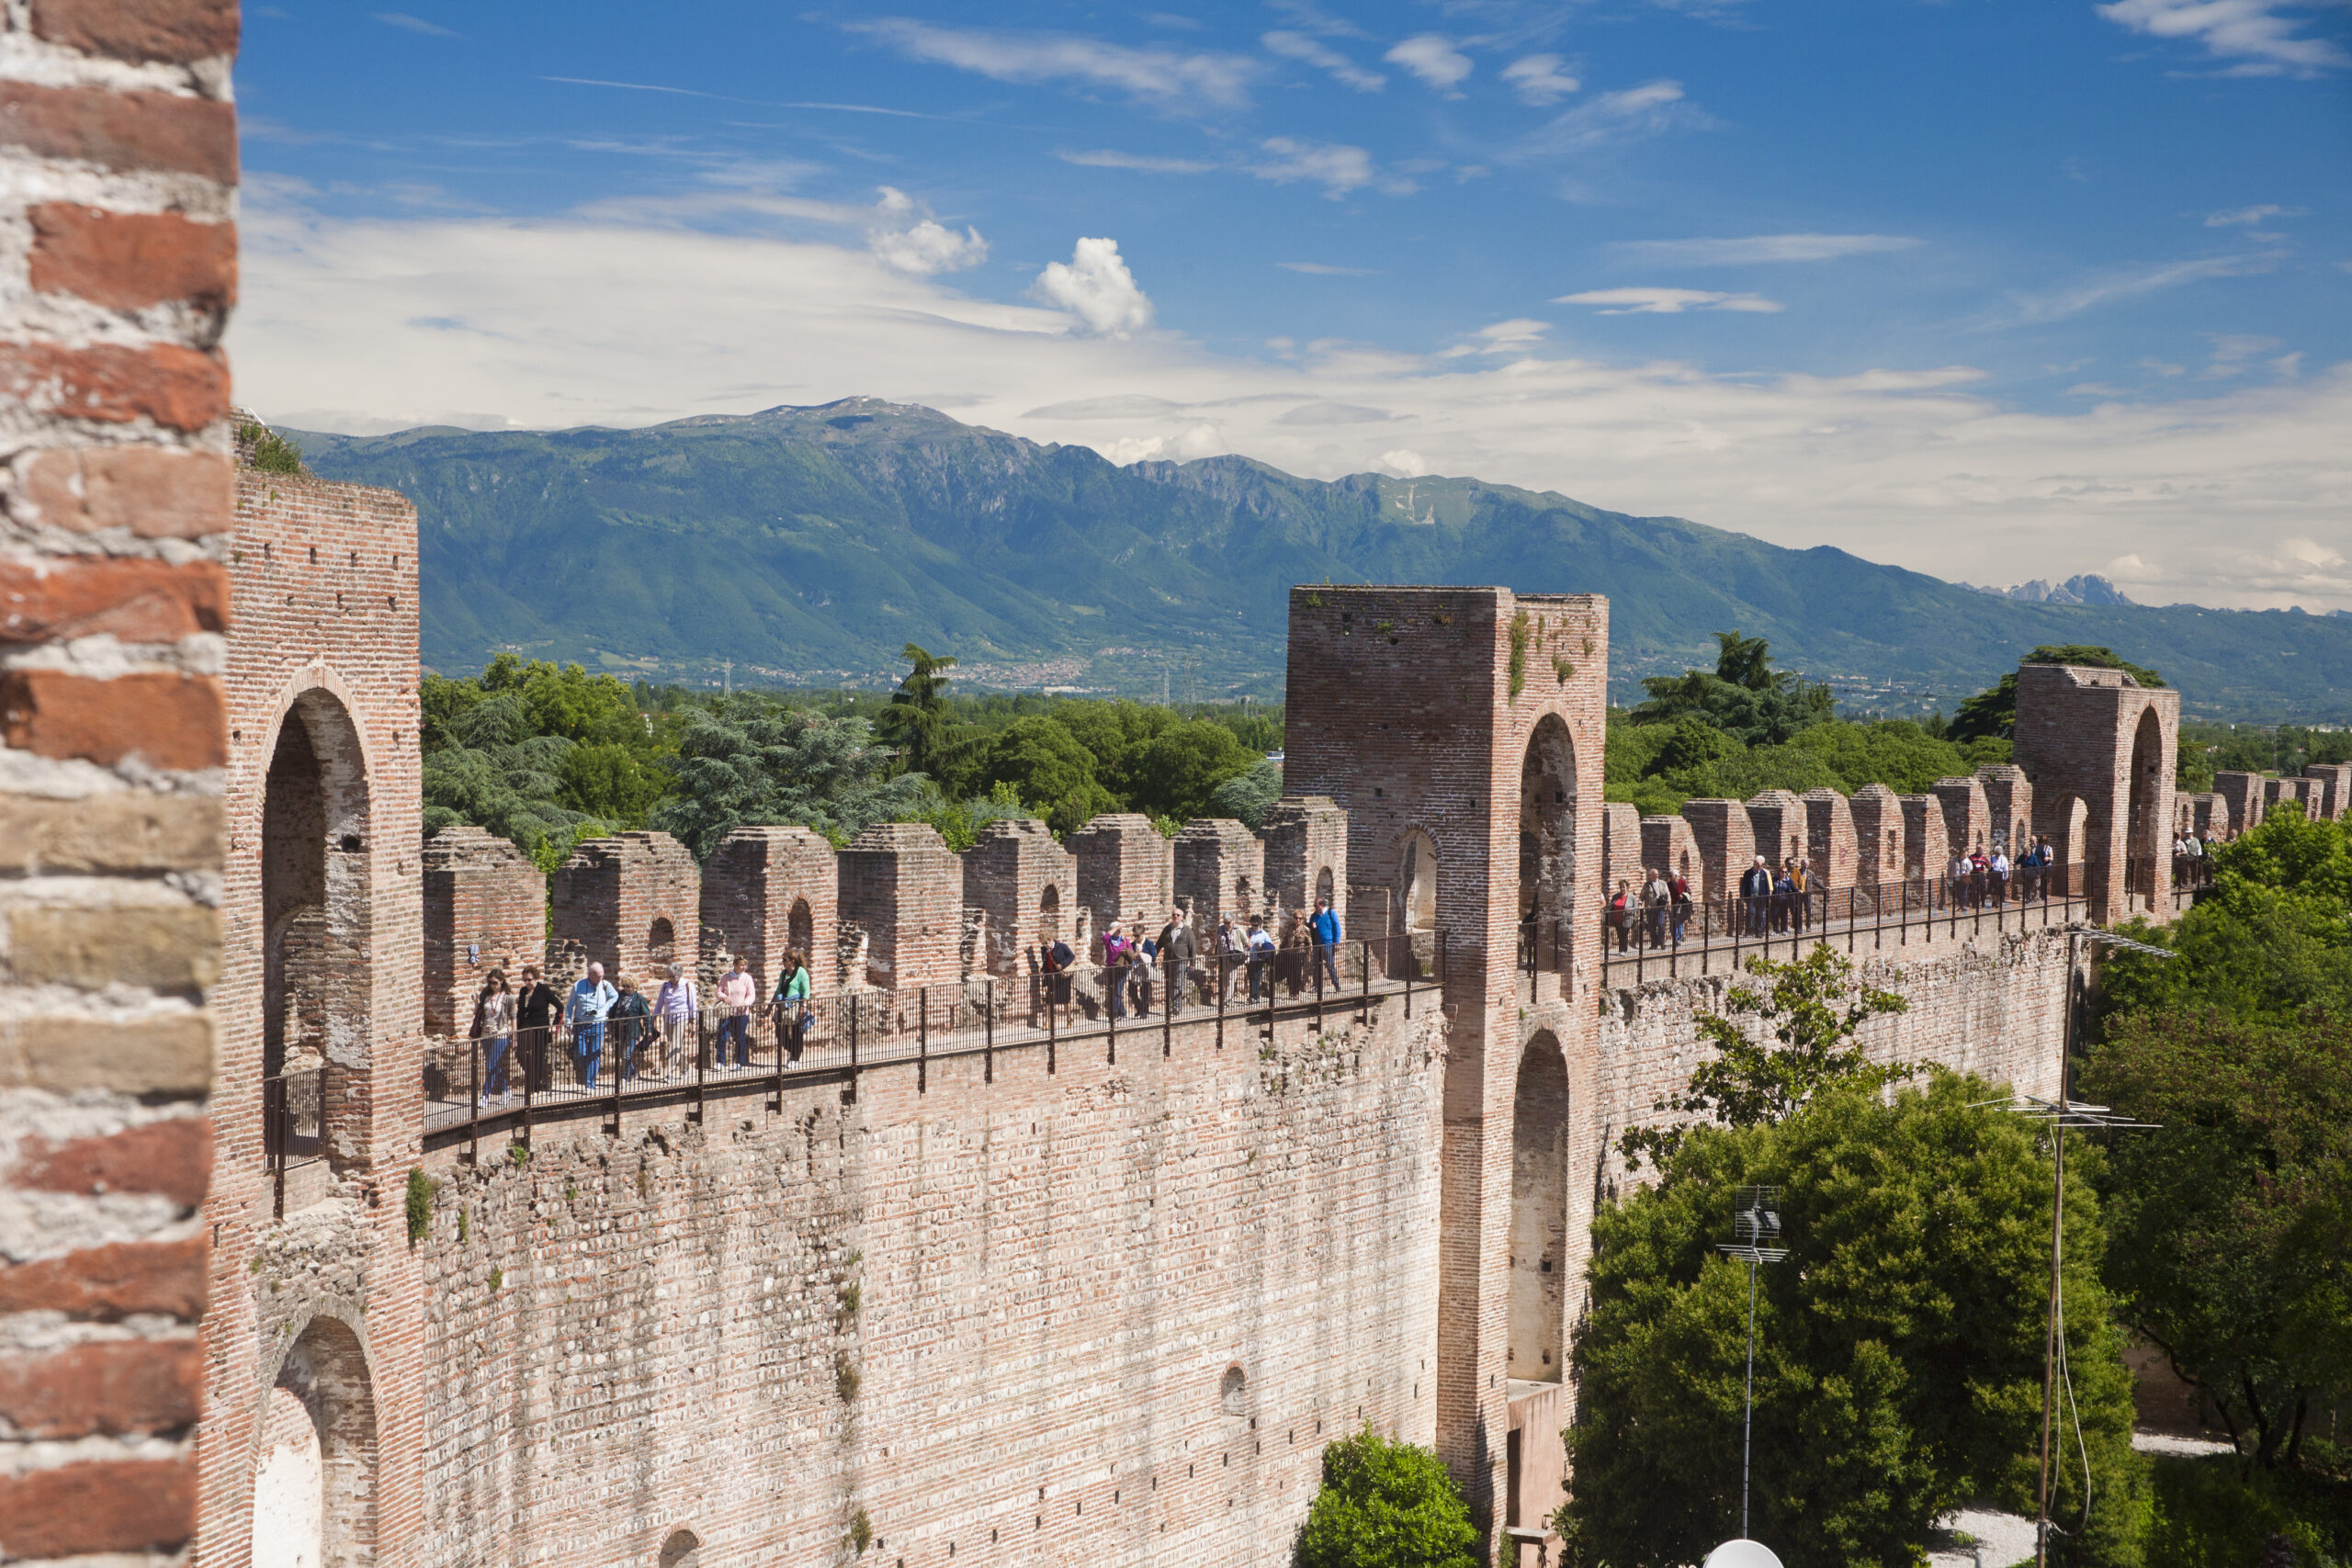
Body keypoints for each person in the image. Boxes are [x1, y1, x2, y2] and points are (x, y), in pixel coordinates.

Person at [566, 962, 616, 1089]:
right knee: (580, 1053)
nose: (601, 979)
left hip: (598, 1024)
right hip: (581, 1024)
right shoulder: (578, 986)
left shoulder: (605, 985)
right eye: (598, 976)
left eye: (602, 976)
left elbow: (614, 996)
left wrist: (606, 1008)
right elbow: (569, 1005)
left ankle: (590, 1084)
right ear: (590, 975)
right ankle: (584, 1074)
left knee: (594, 1055)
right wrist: (568, 1022)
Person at [470, 968, 514, 1109]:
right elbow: (478, 1011)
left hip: (500, 1033)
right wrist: (476, 1002)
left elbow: (513, 1017)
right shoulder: (486, 995)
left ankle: (485, 1096)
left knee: (490, 1065)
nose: (492, 985)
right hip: (485, 1033)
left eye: (495, 982)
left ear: (501, 982)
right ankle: (506, 1090)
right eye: (490, 983)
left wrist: (515, 1035)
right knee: (493, 1064)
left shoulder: (508, 997)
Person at [514, 964, 560, 1094]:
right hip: (525, 1028)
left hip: (540, 1029)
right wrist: (517, 1028)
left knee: (538, 1057)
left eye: (529, 980)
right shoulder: (523, 991)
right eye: (524, 980)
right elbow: (521, 1011)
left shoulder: (543, 990)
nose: (527, 982)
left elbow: (560, 1007)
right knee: (521, 1054)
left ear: (535, 979)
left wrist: (554, 1026)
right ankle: (532, 1078)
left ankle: (535, 1087)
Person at [655, 961, 697, 1077]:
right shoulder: (665, 986)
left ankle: (669, 1072)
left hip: (682, 1017)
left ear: (679, 974)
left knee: (674, 1044)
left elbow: (693, 1004)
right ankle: (686, 1068)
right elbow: (660, 1003)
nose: (671, 979)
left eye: (673, 976)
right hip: (668, 1018)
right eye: (669, 976)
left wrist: (693, 1021)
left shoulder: (688, 985)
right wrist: (654, 1017)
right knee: (677, 1044)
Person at [717, 953, 756, 1069]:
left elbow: (751, 995)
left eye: (745, 965)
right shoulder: (726, 977)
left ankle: (739, 1061)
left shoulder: (747, 978)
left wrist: (745, 1003)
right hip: (727, 1012)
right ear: (735, 965)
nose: (743, 967)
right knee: (722, 1036)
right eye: (741, 965)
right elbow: (718, 992)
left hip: (742, 1013)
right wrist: (724, 997)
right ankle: (720, 1061)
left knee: (739, 1037)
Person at [771, 948, 811, 1062]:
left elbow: (806, 991)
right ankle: (794, 1052)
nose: (783, 962)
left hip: (796, 1007)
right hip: (783, 1006)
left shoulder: (801, 972)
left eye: (785, 960)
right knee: (781, 1036)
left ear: (792, 961)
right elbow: (778, 990)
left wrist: (803, 1006)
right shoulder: (783, 973)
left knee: (797, 1033)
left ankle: (795, 1058)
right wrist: (770, 1005)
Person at [609, 976, 651, 1082]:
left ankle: (625, 1077)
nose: (626, 988)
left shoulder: (639, 999)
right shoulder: (618, 997)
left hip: (633, 1030)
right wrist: (610, 1025)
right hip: (620, 1029)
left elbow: (646, 1015)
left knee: (626, 1054)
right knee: (620, 1054)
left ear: (634, 986)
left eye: (628, 986)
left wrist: (649, 1030)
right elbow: (612, 1012)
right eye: (624, 986)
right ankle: (634, 1072)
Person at [1158, 909, 1196, 1016]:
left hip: (1181, 961)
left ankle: (1176, 1007)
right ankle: (1172, 1006)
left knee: (1178, 984)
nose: (1175, 916)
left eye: (1178, 915)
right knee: (1170, 984)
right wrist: (1151, 957)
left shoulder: (1187, 930)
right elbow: (1159, 944)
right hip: (1168, 961)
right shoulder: (1167, 929)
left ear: (1182, 917)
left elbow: (1192, 947)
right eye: (1173, 914)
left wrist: (1192, 963)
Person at [1309, 897, 1343, 993]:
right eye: (1314, 906)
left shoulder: (1330, 913)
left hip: (1328, 944)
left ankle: (1337, 985)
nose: (1315, 908)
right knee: (1316, 966)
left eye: (1316, 906)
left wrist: (1336, 943)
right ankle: (1317, 986)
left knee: (1330, 965)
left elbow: (1337, 928)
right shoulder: (1314, 916)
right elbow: (1311, 929)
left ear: (1322, 905)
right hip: (1317, 945)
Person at [1099, 919, 1131, 1021]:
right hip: (1111, 968)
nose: (1119, 931)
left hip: (1122, 969)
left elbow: (1131, 953)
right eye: (1117, 930)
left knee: (1117, 991)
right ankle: (1122, 1012)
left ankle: (1115, 1014)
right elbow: (1104, 937)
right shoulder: (1108, 941)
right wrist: (1116, 927)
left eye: (1120, 929)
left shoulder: (1125, 940)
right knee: (1113, 991)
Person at [1738, 857, 1773, 937]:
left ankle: (1759, 932)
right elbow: (1744, 885)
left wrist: (1768, 897)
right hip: (1751, 897)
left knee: (1760, 915)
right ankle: (1749, 931)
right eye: (1758, 865)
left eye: (1761, 865)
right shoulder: (1748, 873)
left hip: (1761, 898)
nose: (1760, 867)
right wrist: (1742, 897)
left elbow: (1766, 886)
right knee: (1751, 913)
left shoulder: (1763, 873)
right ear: (1754, 864)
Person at [1245, 915, 1276, 1001]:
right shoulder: (1247, 932)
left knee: (1256, 977)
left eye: (1256, 925)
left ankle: (1255, 997)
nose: (1254, 927)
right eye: (1253, 925)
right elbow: (1243, 942)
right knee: (1251, 977)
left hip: (1258, 958)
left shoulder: (1264, 934)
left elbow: (1270, 946)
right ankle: (1252, 995)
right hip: (1249, 958)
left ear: (1260, 924)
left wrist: (1261, 947)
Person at [1640, 868, 1671, 951]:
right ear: (1650, 876)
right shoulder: (1647, 885)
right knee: (1652, 927)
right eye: (1654, 874)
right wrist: (1640, 903)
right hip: (1650, 908)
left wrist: (1669, 903)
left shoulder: (1663, 883)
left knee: (1661, 925)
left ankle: (1662, 942)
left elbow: (1667, 893)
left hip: (1660, 908)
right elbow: (1642, 895)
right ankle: (1654, 943)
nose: (1657, 876)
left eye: (1657, 874)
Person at [1607, 880, 1634, 953]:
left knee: (1624, 935)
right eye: (1621, 887)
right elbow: (1611, 905)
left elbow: (1636, 908)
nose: (1622, 889)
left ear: (1627, 888)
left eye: (1624, 887)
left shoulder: (1631, 897)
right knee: (1619, 935)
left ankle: (1623, 950)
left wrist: (1631, 910)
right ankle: (1621, 950)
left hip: (1627, 919)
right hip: (1617, 919)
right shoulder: (1615, 896)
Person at [1668, 870, 1692, 947]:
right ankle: (1675, 938)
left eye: (1671, 876)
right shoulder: (1668, 884)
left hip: (1681, 906)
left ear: (1676, 876)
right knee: (1672, 923)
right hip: (1672, 906)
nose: (1670, 878)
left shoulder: (1683, 883)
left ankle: (1678, 939)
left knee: (1679, 923)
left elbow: (1689, 893)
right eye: (1669, 876)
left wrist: (1683, 895)